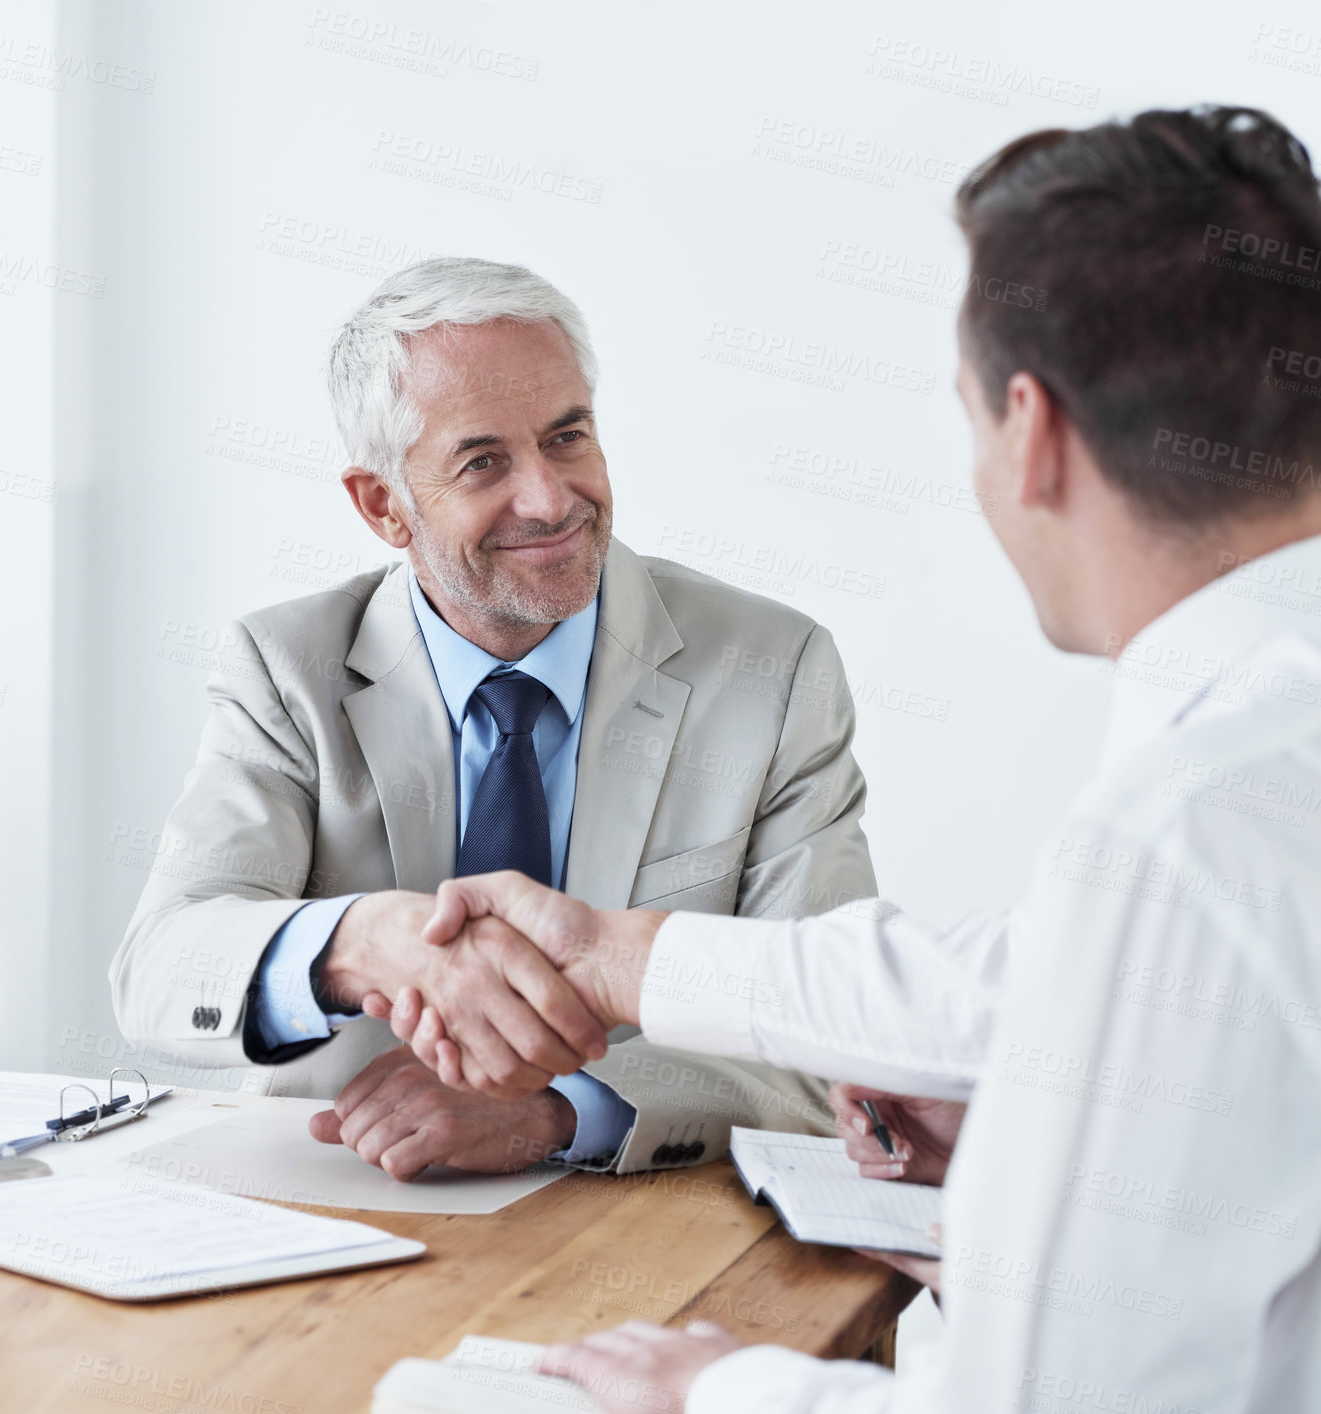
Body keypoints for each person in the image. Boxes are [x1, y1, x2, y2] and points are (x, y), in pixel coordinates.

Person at [387, 106, 1321, 1411]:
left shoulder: (1182, 829)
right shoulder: (1256, 754)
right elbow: (1020, 978)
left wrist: (720, 1390)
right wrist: (609, 953)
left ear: (1030, 429)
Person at [109, 256, 879, 1181]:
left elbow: (829, 1028)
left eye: (567, 438)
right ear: (383, 505)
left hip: (642, 1219)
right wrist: (363, 944)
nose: (551, 499)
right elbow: (160, 969)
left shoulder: (773, 672)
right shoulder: (288, 670)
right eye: (483, 462)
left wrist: (555, 1112)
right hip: (340, 1210)